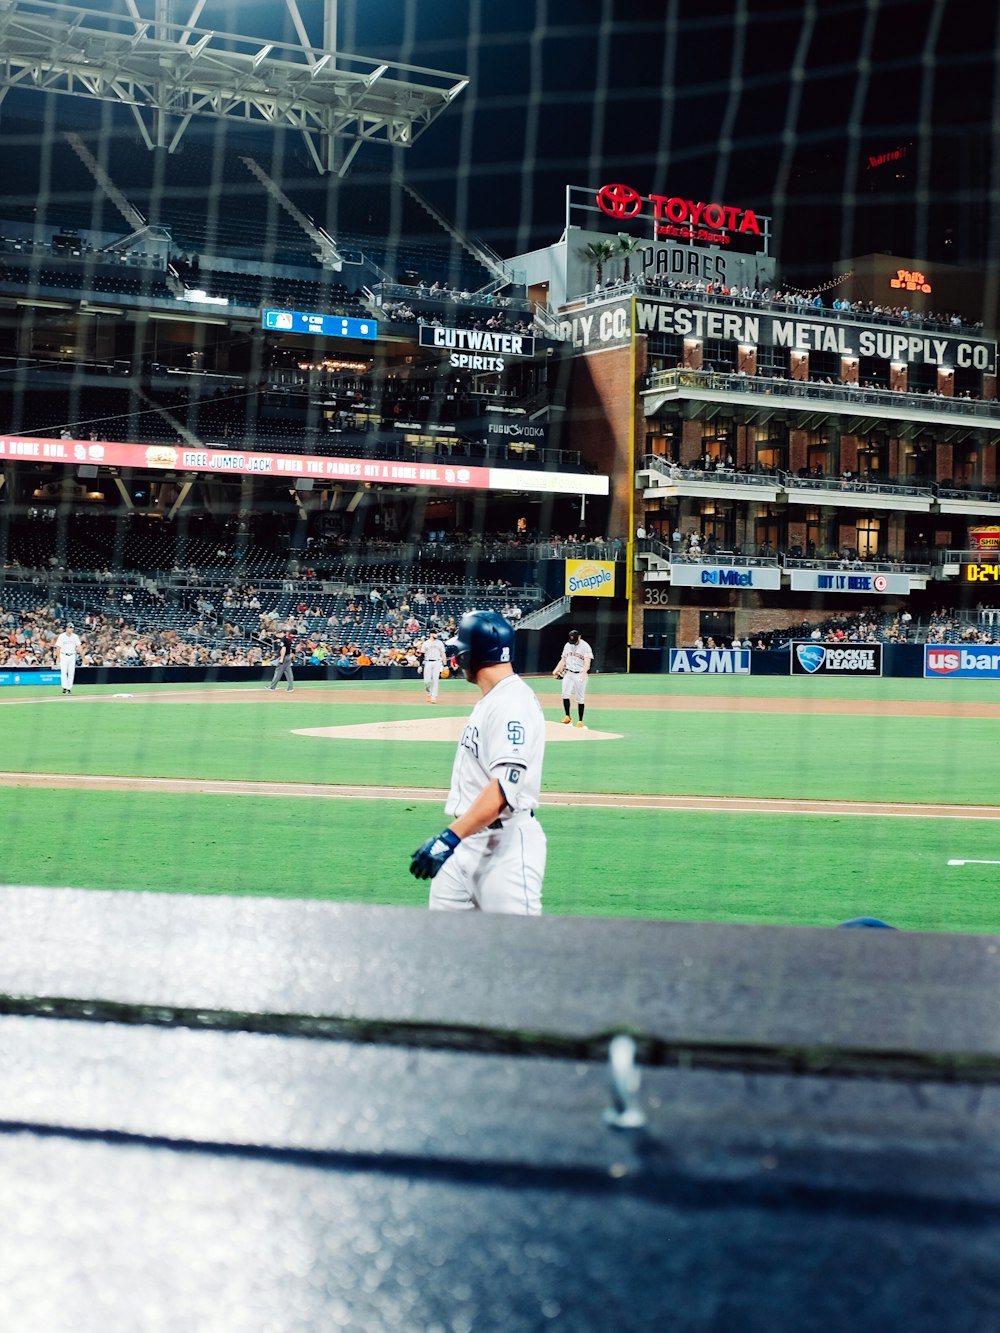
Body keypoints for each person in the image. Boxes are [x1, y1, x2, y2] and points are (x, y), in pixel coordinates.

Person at [409, 610, 546, 915]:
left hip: (505, 848)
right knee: (442, 950)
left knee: (518, 954)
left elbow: (502, 792)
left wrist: (448, 838)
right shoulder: (496, 697)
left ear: (470, 655)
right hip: (465, 842)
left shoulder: (512, 704)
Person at [552, 628, 594, 727]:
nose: (572, 642)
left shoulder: (585, 647)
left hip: (580, 673)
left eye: (574, 640)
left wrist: (584, 673)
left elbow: (587, 662)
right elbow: (563, 660)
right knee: (565, 694)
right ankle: (567, 717)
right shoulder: (567, 645)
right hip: (569, 673)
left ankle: (580, 722)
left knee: (580, 698)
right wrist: (555, 670)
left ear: (579, 637)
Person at [54, 621, 82, 694]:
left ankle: (69, 688)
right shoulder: (62, 636)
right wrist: (58, 657)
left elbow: (79, 646)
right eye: (70, 628)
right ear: (66, 628)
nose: (71, 629)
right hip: (63, 655)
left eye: (72, 628)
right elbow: (58, 647)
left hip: (72, 655)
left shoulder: (75, 636)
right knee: (63, 672)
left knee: (71, 672)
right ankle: (64, 687)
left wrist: (83, 656)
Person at [420, 630, 447, 703]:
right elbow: (422, 655)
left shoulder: (440, 643)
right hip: (428, 662)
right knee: (427, 681)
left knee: (435, 680)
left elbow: (443, 653)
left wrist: (445, 665)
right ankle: (428, 693)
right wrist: (420, 666)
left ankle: (434, 697)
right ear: (431, 634)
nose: (436, 634)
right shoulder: (426, 643)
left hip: (437, 662)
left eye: (437, 633)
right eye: (435, 633)